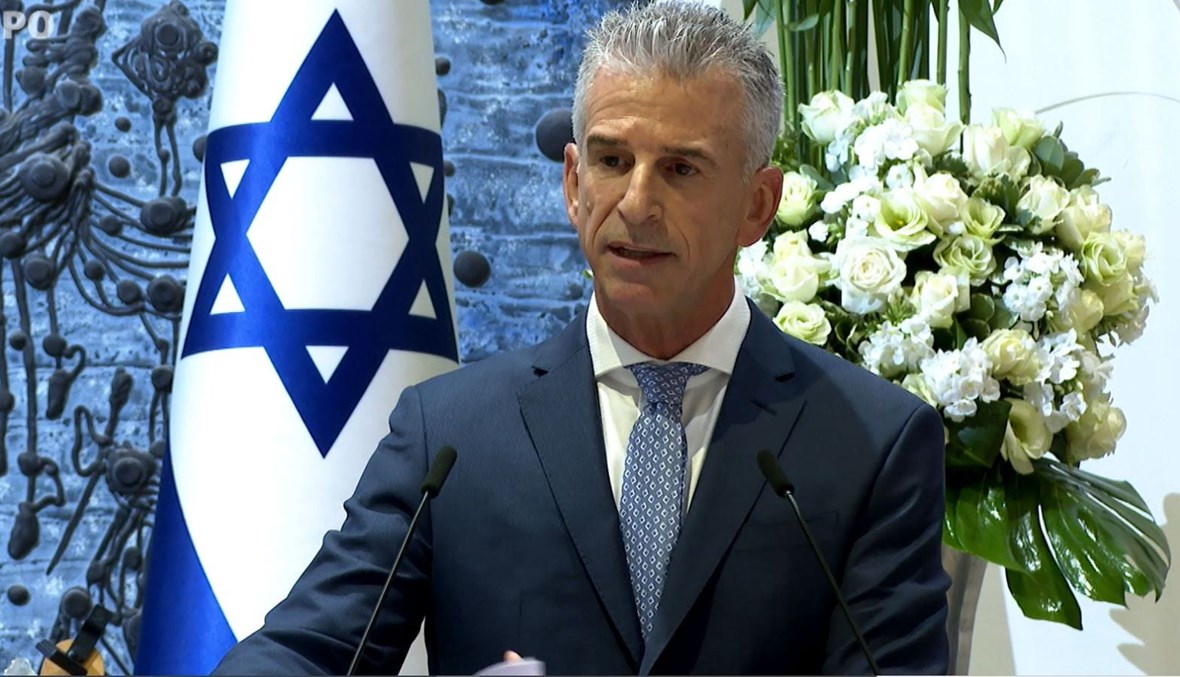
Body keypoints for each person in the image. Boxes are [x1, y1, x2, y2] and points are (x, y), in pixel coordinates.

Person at [214, 2, 950, 674]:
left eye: (681, 168)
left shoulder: (872, 441)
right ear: (573, 183)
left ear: (757, 205)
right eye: (611, 161)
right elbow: (307, 652)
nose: (636, 203)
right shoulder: (450, 434)